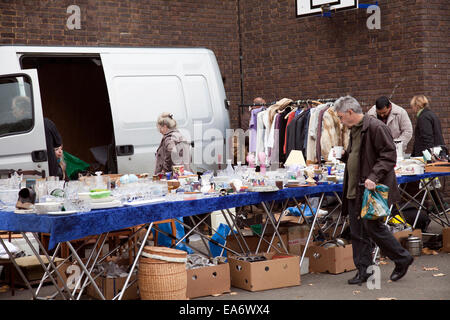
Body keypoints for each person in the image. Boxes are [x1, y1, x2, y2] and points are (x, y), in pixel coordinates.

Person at [334, 95, 413, 285]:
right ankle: (364, 271)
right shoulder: (355, 130)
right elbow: (360, 157)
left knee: (373, 227)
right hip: (355, 188)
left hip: (371, 189)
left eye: (341, 117)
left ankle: (402, 257)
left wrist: (373, 177)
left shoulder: (376, 127)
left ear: (350, 112)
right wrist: (345, 156)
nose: (340, 121)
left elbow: (389, 155)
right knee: (357, 231)